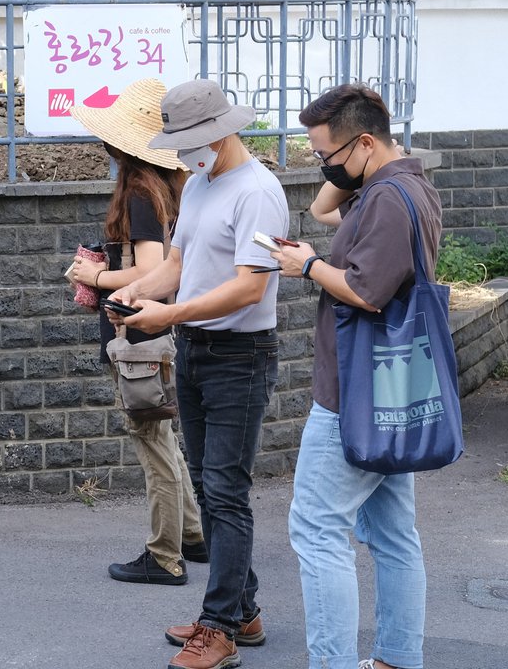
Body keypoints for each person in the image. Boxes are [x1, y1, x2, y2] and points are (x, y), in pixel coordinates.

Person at [111, 78, 290, 669]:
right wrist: (138, 291)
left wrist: (172, 312)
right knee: (208, 486)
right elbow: (182, 264)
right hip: (195, 352)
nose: (185, 153)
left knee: (225, 492)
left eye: (193, 140)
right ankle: (240, 608)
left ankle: (219, 629)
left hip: (240, 356)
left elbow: (249, 286)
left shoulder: (258, 190)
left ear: (222, 131)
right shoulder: (201, 186)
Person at [269, 84, 439, 669]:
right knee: (392, 535)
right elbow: (323, 208)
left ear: (367, 143)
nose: (324, 166)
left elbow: (366, 292)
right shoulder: (402, 188)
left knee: (317, 532)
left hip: (355, 394)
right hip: (388, 388)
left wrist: (310, 265)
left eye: (327, 155)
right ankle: (395, 658)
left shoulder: (389, 200)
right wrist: (340, 168)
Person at [63, 79, 205, 586]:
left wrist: (93, 277)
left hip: (137, 332)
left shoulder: (141, 190)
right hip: (152, 330)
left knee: (153, 442)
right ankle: (193, 536)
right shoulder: (171, 182)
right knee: (163, 434)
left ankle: (165, 556)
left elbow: (151, 267)